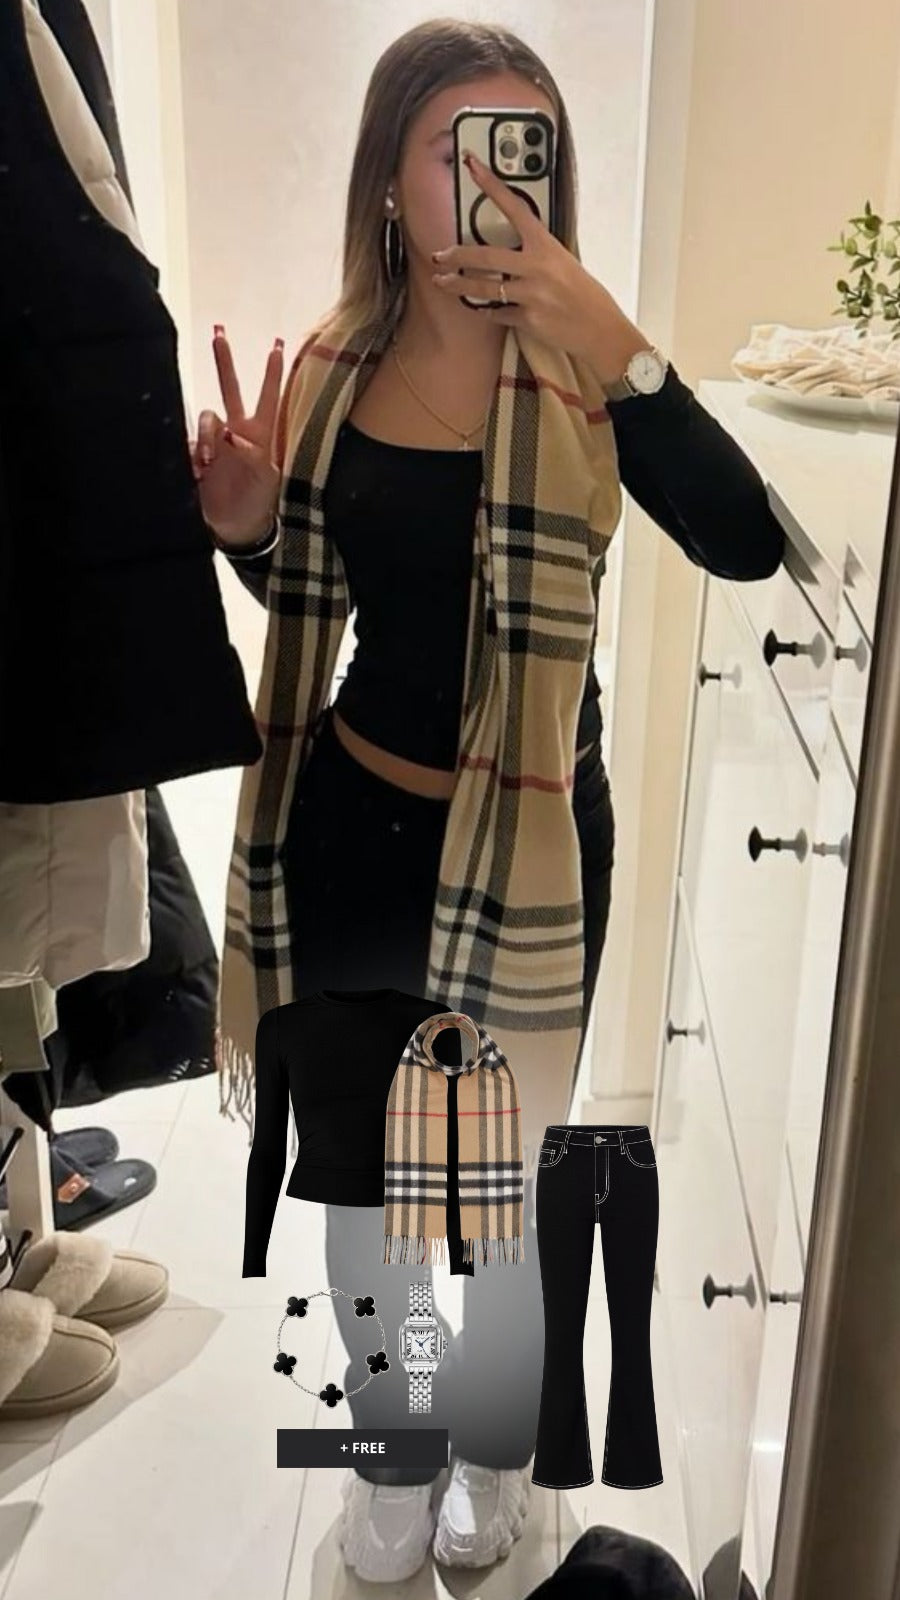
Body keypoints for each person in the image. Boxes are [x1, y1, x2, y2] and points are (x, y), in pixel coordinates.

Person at [191, 17, 784, 1585]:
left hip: (529, 848)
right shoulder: (334, 370)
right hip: (351, 836)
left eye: (524, 153)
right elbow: (313, 603)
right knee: (363, 1193)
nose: (490, 186)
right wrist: (248, 529)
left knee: (503, 1197)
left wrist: (625, 345)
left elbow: (745, 542)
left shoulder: (588, 377)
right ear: (390, 179)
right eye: (454, 151)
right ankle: (391, 1450)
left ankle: (497, 1449)